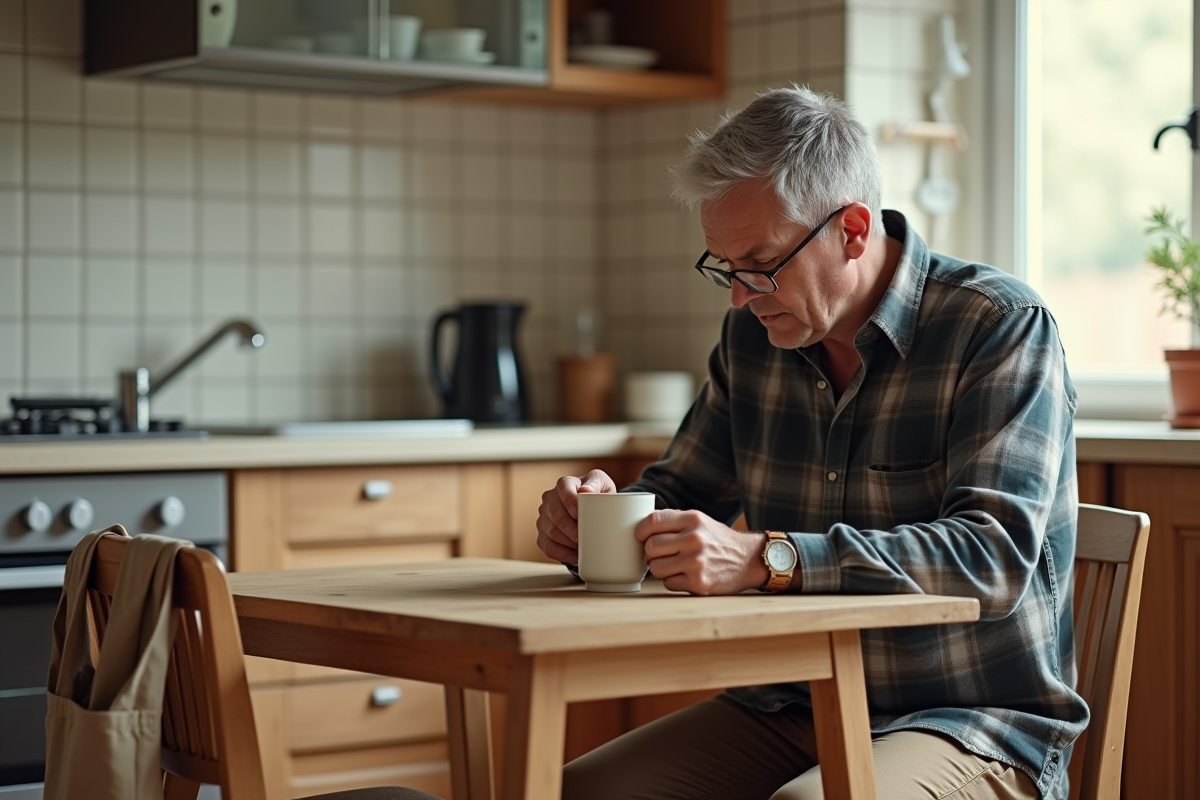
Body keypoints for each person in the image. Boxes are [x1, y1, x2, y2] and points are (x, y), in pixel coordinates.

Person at [535, 86, 1085, 800]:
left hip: (973, 720)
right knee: (578, 792)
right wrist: (599, 519)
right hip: (790, 703)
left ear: (852, 231)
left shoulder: (999, 327)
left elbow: (993, 559)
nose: (739, 297)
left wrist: (768, 557)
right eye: (725, 267)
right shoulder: (753, 337)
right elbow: (678, 493)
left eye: (760, 262)